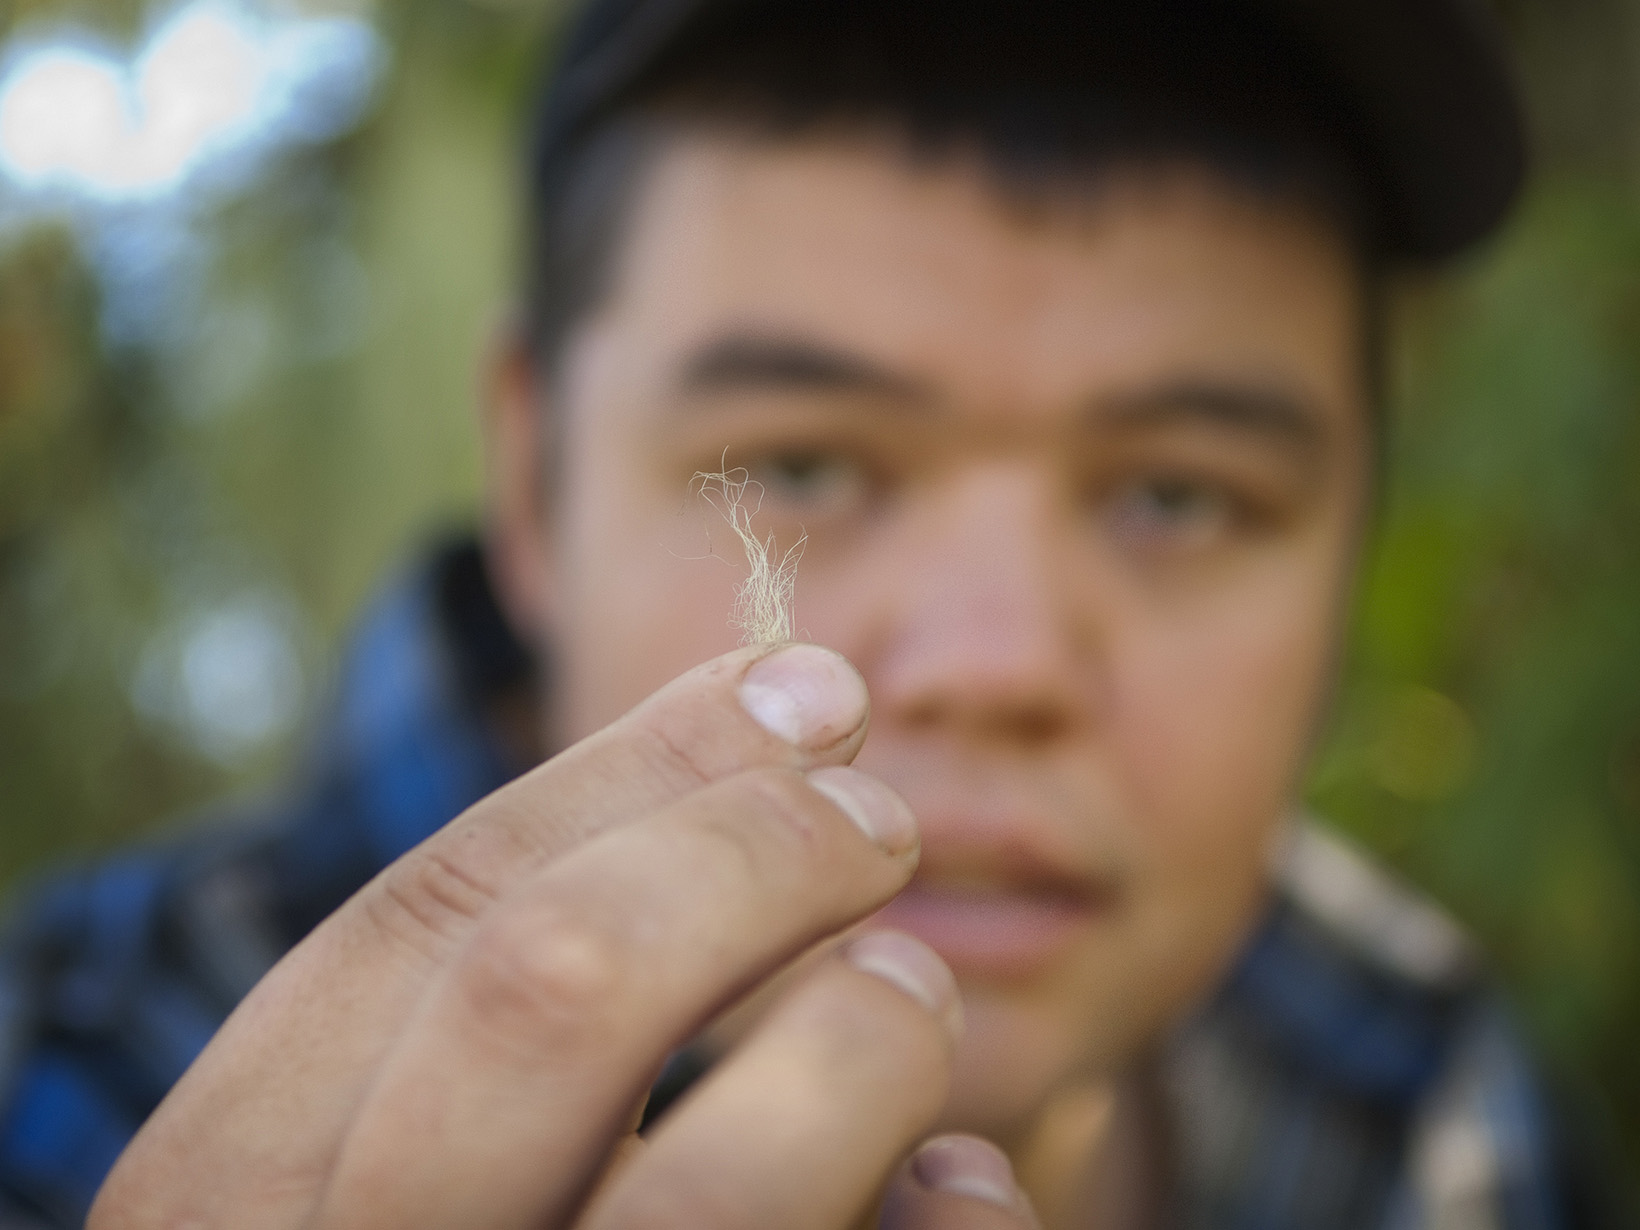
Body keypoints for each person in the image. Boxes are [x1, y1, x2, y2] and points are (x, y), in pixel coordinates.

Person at [0, 0, 1608, 1225]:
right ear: (532, 476)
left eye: (1179, 496)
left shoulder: (1439, 1104)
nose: (998, 663)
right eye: (806, 461)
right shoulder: (53, 1082)